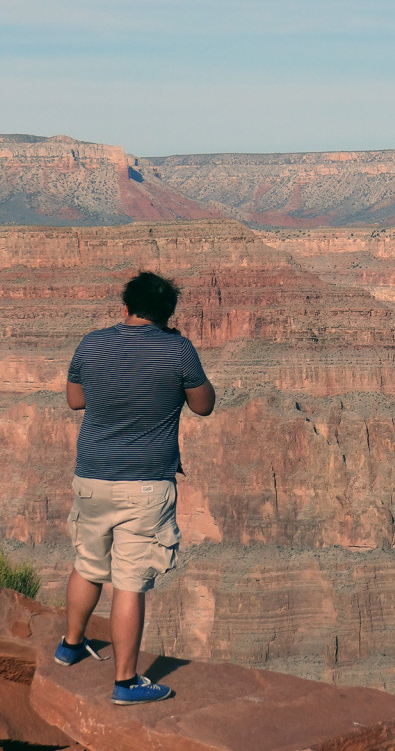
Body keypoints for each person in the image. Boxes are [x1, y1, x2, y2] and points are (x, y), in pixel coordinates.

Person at [54, 271, 215, 705]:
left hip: (92, 475)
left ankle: (69, 646)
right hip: (144, 485)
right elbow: (204, 406)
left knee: (88, 562)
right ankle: (126, 683)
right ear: (167, 314)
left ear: (124, 307)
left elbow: (75, 399)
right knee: (129, 582)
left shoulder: (91, 343)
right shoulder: (178, 349)